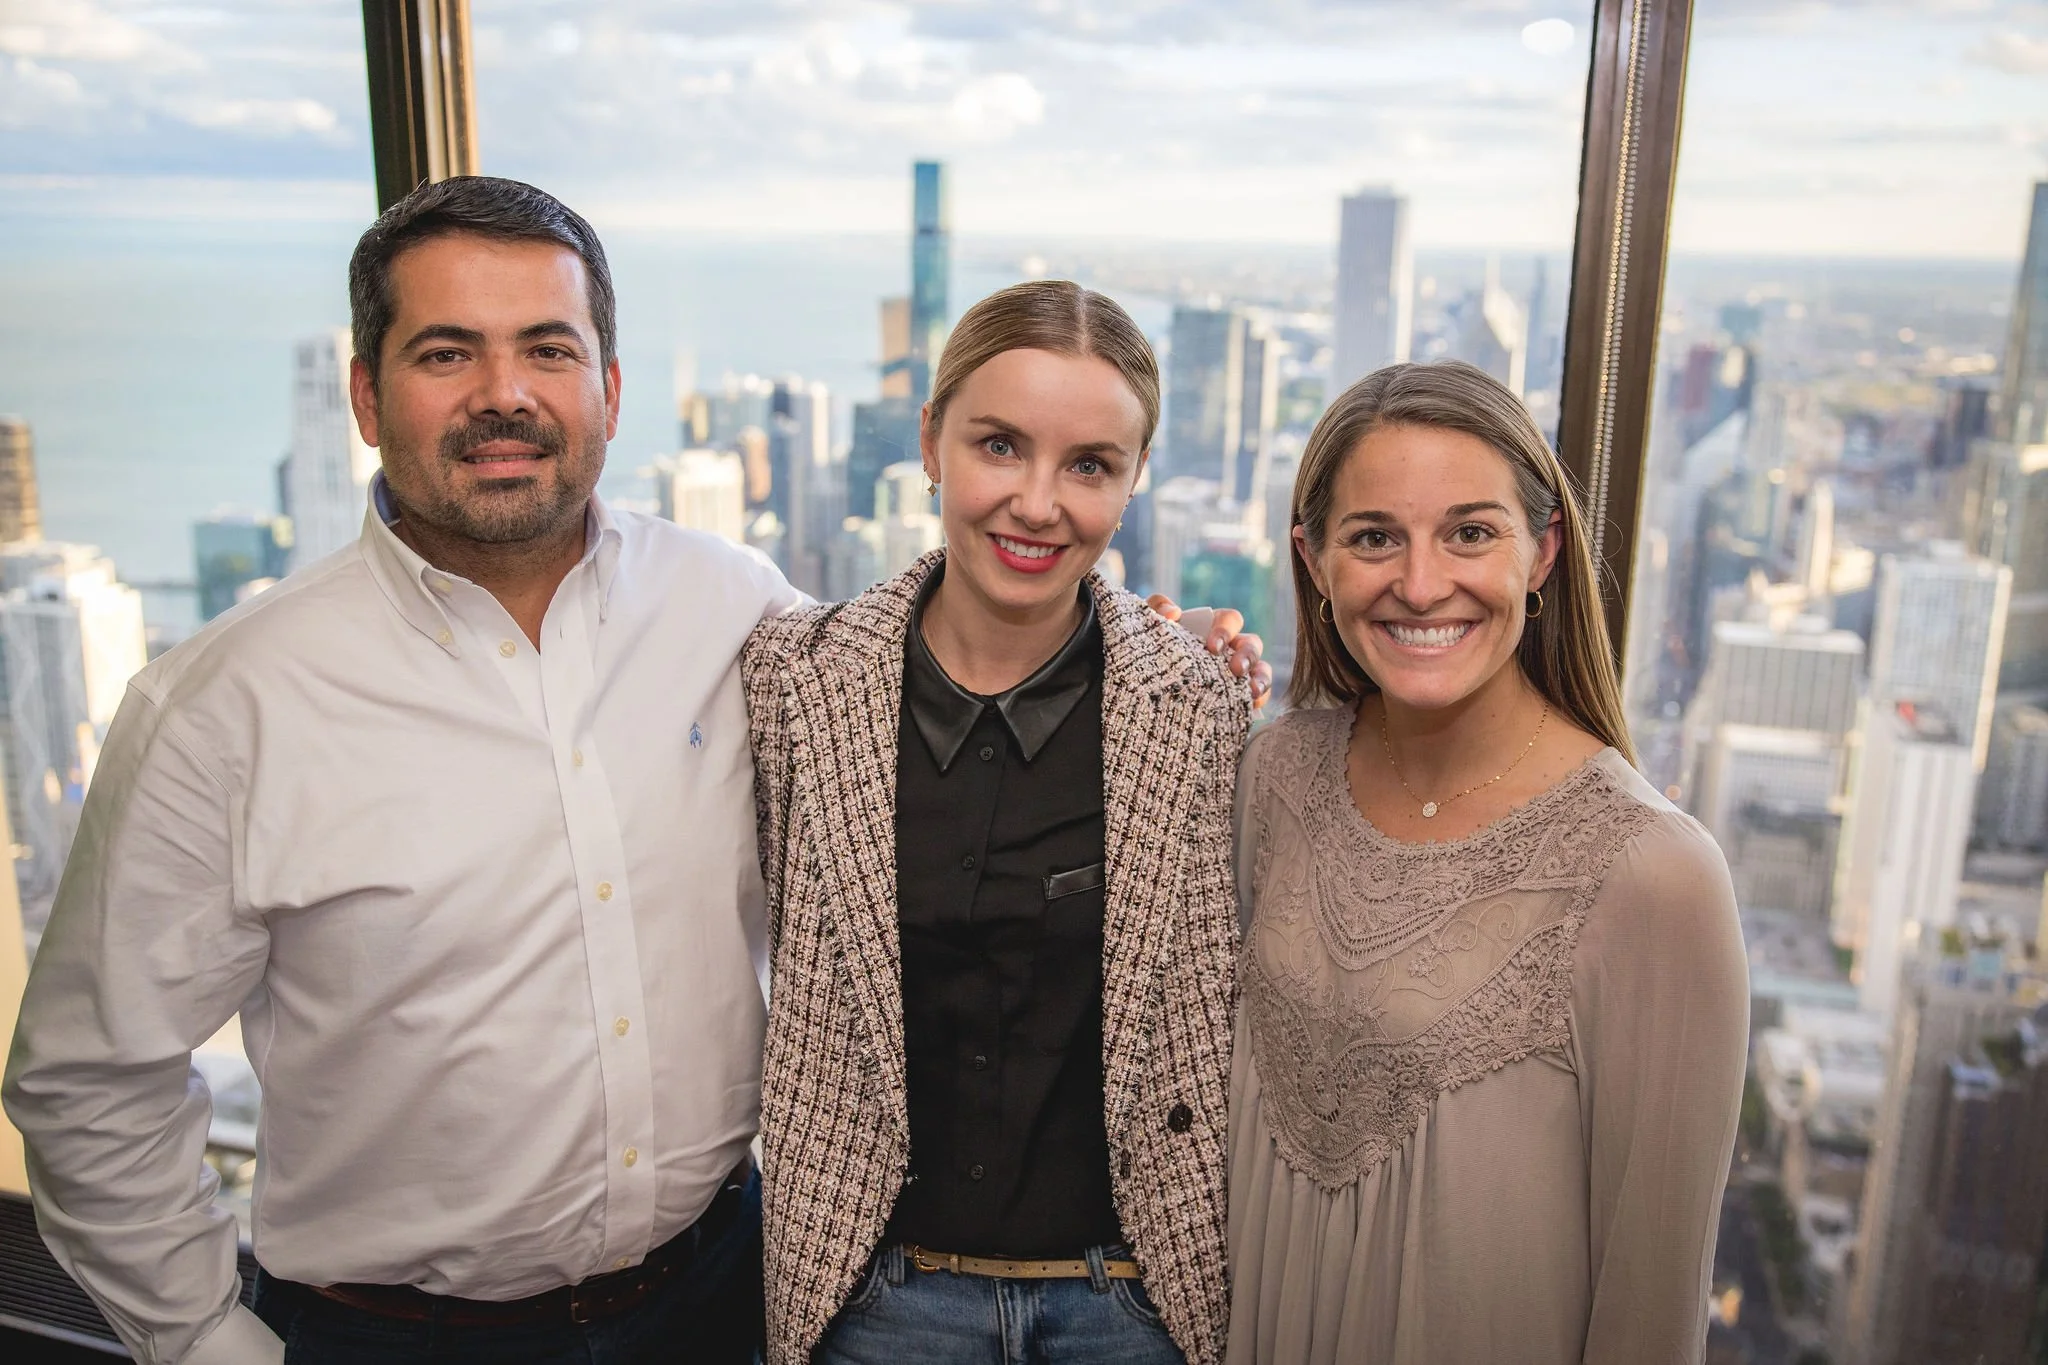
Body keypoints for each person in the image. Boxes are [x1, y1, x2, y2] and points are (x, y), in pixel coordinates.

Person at [2, 176, 1265, 1365]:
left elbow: (947, 653)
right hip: (393, 1335)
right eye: (447, 353)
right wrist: (207, 1345)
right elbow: (85, 1082)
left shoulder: (733, 610)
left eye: (547, 350)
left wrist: (1163, 641)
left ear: (607, 387)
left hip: (717, 1300)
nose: (505, 395)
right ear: (366, 397)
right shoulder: (223, 707)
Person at [743, 279, 1254, 1365]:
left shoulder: (1202, 707)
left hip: (1131, 1306)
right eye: (999, 446)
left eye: (1089, 466)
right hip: (871, 1298)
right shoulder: (790, 682)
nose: (1036, 503)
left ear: (1133, 480)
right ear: (931, 441)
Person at [1225, 360, 1748, 1365]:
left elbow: (1651, 1309)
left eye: (1469, 532)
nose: (1421, 584)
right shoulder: (1271, 776)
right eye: (1373, 537)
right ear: (1313, 560)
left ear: (1541, 552)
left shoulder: (1651, 875)